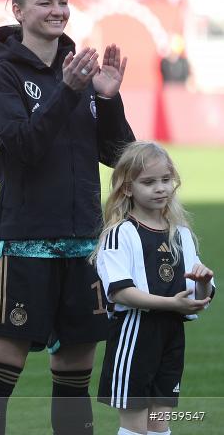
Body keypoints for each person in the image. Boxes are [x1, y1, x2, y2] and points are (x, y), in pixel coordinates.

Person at [0, 0, 135, 435]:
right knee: (4, 364)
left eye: (62, 1)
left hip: (84, 242)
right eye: (45, 2)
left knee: (75, 370)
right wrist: (68, 91)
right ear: (18, 10)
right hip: (26, 240)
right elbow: (22, 146)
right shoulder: (1, 73)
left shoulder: (79, 69)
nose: (58, 10)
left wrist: (109, 99)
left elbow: (119, 155)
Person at [94, 141, 214, 435]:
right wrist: (172, 304)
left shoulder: (181, 234)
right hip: (135, 332)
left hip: (171, 335)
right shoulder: (121, 233)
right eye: (148, 182)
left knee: (159, 424)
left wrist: (203, 283)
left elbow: (199, 296)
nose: (160, 188)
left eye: (166, 180)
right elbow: (120, 291)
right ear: (127, 188)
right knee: (135, 425)